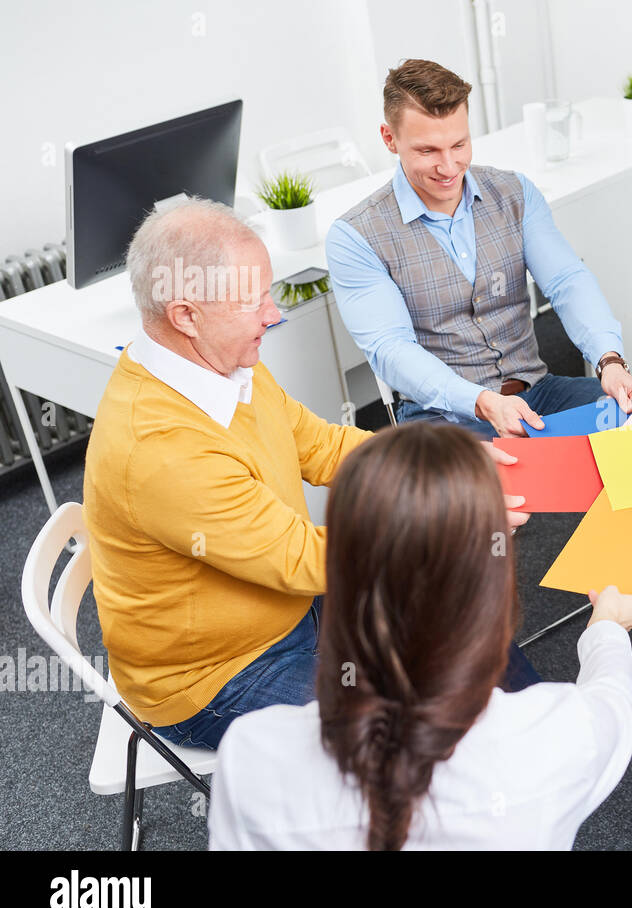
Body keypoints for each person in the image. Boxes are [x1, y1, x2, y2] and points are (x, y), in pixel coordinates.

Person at [83, 199, 533, 751]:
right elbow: (303, 559)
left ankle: (536, 750)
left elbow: (322, 445)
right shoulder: (159, 448)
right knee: (413, 730)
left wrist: (441, 462)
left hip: (292, 606)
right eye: (253, 302)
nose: (273, 314)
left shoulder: (219, 364)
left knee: (462, 625)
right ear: (185, 315)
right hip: (221, 675)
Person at [207, 424, 632, 849]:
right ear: (492, 588)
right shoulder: (561, 736)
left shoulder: (252, 755)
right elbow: (612, 698)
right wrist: (607, 627)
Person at [326, 59, 632, 439]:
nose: (449, 166)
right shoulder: (356, 235)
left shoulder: (514, 193)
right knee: (504, 496)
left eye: (459, 144)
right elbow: (390, 349)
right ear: (389, 138)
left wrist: (608, 360)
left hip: (537, 396)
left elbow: (567, 280)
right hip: (441, 419)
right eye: (428, 150)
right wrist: (481, 401)